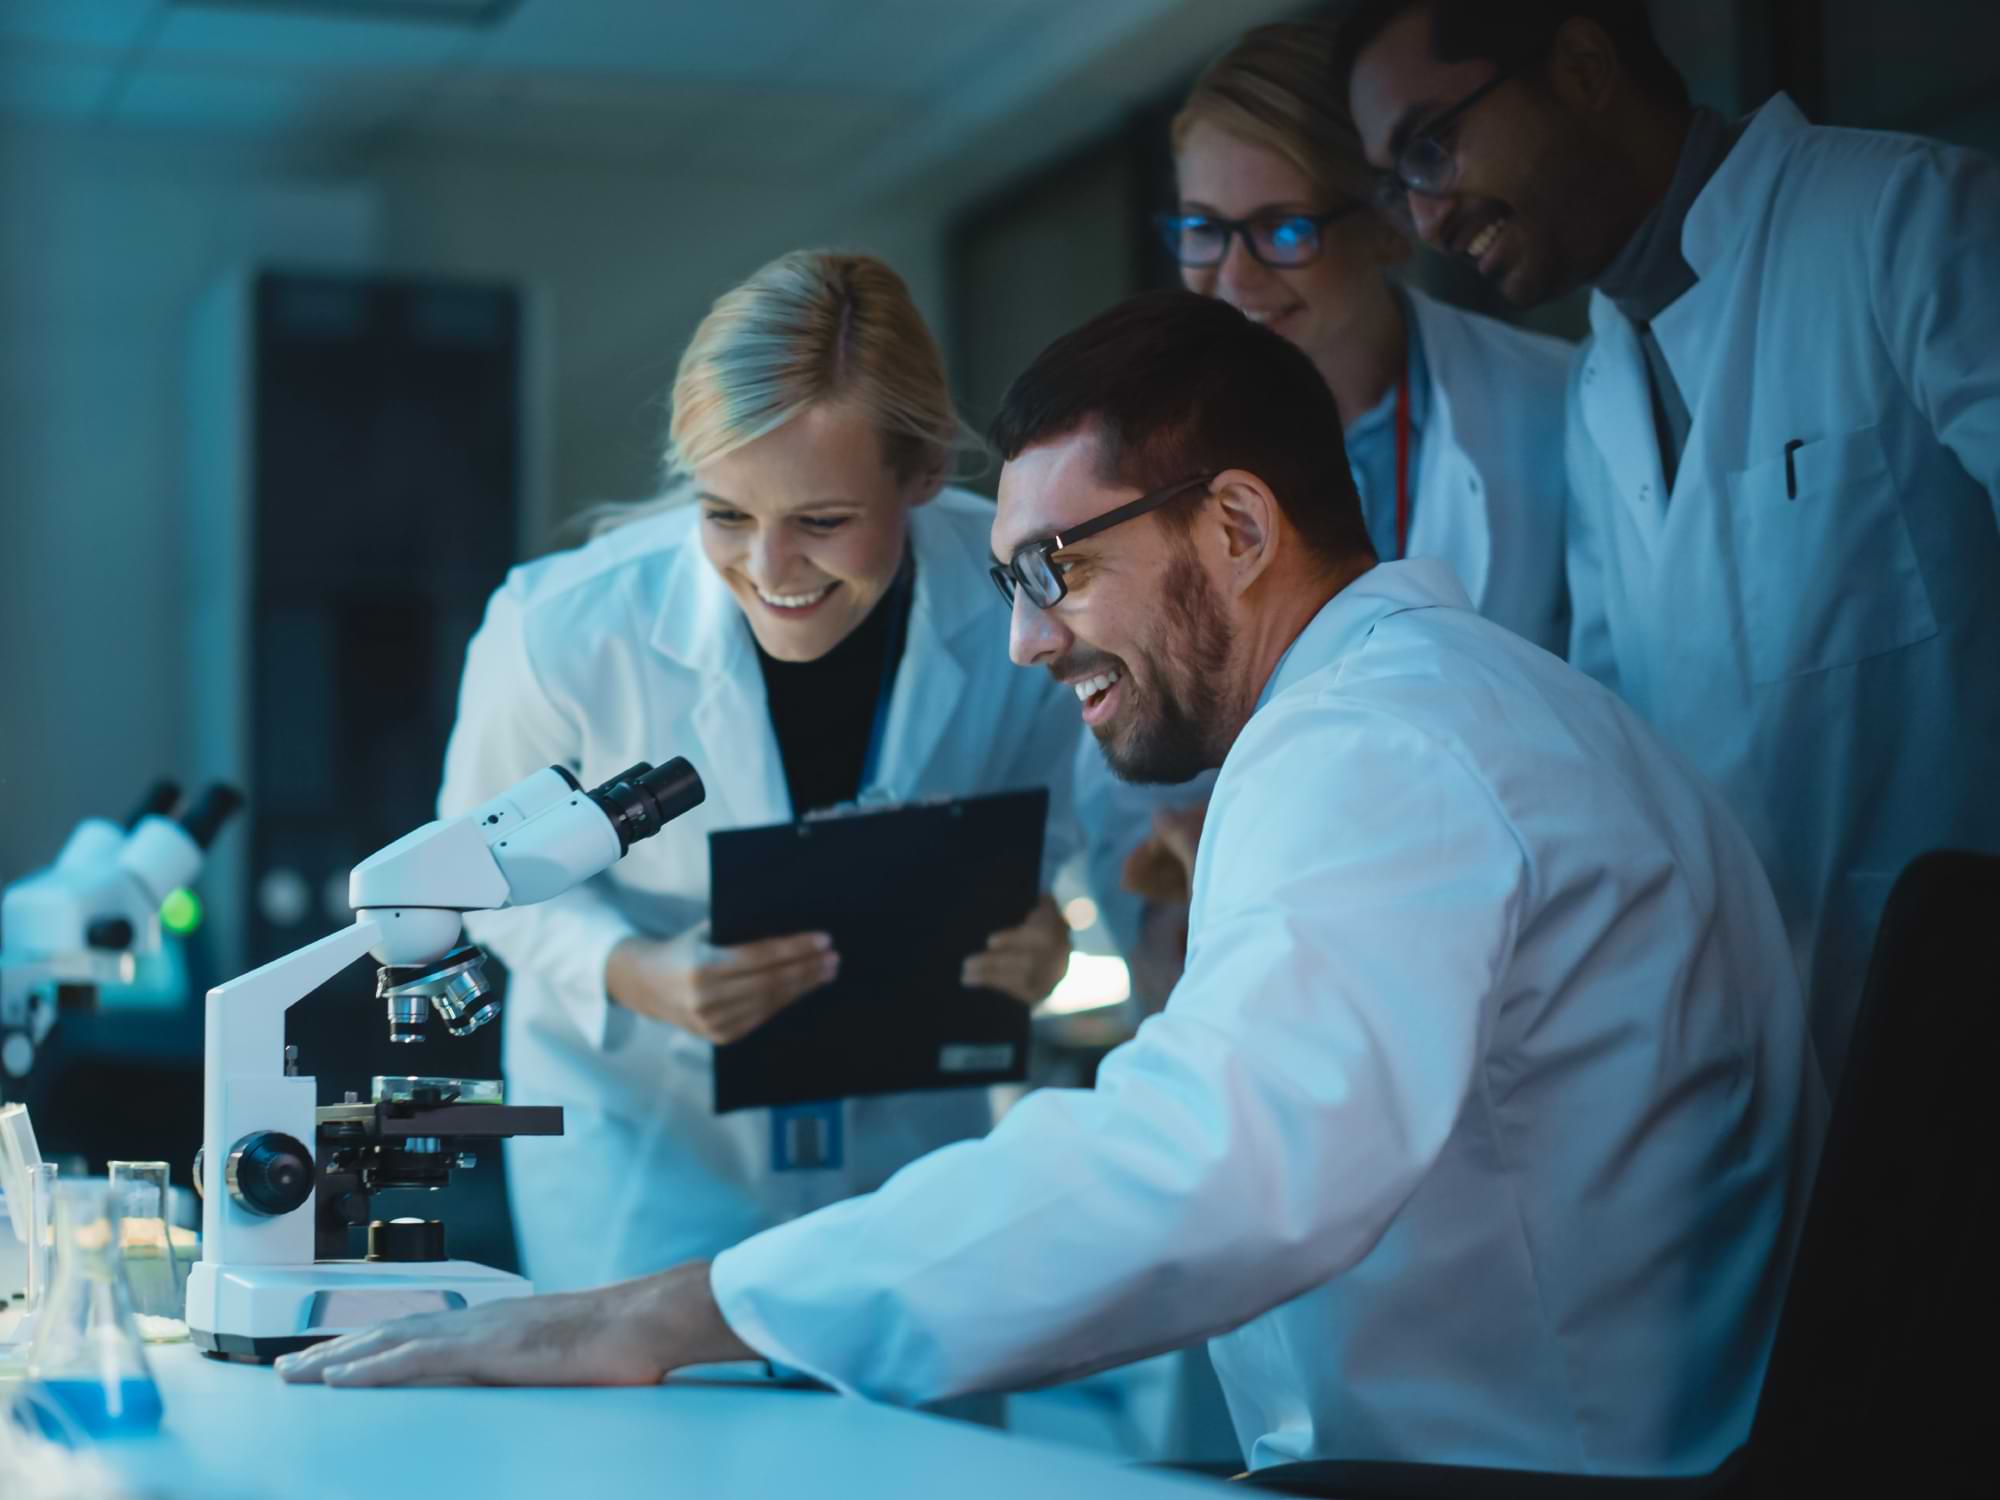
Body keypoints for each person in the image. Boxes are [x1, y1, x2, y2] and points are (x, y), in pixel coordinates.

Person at [281, 293, 1821, 1481]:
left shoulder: (1376, 751)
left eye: (1053, 571)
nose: (1024, 639)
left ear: (1236, 525)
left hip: (1527, 1467)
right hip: (1569, 1429)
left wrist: (672, 1310)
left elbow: (1216, 1165)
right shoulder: (1453, 704)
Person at [1341, 0, 2000, 1088]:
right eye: (1393, 182)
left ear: (1583, 63)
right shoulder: (1597, 386)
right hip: (1767, 1069)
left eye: (1429, 146)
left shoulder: (1901, 219)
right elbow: (1632, 764)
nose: (1423, 218)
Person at [432, 250, 1077, 1292]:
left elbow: (1058, 819)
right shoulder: (561, 629)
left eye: (821, 522)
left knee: (913, 1436)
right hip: (648, 1141)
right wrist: (632, 973)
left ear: (917, 477)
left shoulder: (1016, 595)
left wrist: (1037, 926)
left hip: (908, 1135)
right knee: (664, 1441)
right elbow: (476, 875)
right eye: (725, 513)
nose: (769, 573)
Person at [1090, 19, 1578, 988]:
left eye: (1282, 229)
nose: (1230, 278)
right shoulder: (1144, 470)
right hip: (1279, 953)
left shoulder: (1554, 407)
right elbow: (1116, 765)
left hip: (1533, 934)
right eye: (1201, 229)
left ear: (1391, 218)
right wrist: (1164, 910)